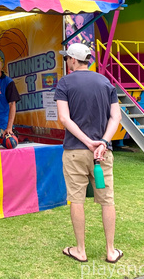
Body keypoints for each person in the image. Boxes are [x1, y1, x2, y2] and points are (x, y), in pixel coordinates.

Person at [54, 42, 123, 264]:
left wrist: (87, 141)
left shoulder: (64, 83)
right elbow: (116, 117)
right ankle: (111, 251)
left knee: (77, 200)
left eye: (67, 58)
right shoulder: (105, 82)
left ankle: (80, 250)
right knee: (107, 200)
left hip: (75, 151)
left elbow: (65, 118)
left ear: (74, 60)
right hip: (102, 153)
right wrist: (102, 142)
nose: (66, 62)